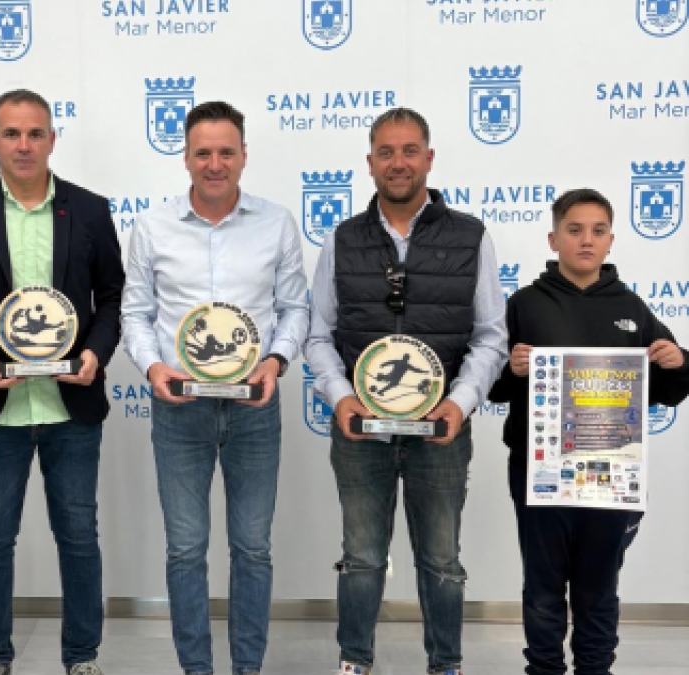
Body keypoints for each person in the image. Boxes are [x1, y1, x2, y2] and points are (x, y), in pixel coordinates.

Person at [303, 107, 508, 675]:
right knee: (362, 559)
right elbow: (318, 335)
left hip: (441, 433)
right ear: (370, 162)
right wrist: (341, 396)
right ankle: (354, 662)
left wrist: (459, 404)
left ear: (429, 158)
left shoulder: (471, 236)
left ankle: (446, 666)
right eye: (387, 152)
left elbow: (491, 336)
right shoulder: (341, 239)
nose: (399, 163)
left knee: (442, 561)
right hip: (360, 432)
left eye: (410, 150)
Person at [0, 89, 124, 675]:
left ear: (52, 140)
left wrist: (95, 353)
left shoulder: (90, 209)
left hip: (71, 404)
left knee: (79, 537)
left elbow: (113, 298)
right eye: (11, 133)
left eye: (35, 133)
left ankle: (82, 657)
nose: (23, 145)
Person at [122, 100, 309, 675]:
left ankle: (247, 668)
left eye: (226, 152)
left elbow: (294, 309)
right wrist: (154, 369)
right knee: (185, 550)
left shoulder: (277, 222)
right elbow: (136, 314)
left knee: (252, 548)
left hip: (255, 408)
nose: (215, 164)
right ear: (185, 157)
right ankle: (196, 669)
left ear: (244, 156)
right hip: (180, 410)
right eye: (203, 152)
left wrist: (275, 361)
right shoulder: (152, 227)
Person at [487, 188, 689, 675]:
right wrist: (511, 370)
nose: (586, 240)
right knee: (543, 585)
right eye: (574, 230)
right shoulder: (524, 304)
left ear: (611, 240)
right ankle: (544, 669)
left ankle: (595, 670)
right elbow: (490, 387)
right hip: (539, 470)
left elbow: (669, 392)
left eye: (598, 231)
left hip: (610, 474)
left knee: (598, 587)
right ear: (553, 238)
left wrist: (679, 361)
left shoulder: (633, 308)